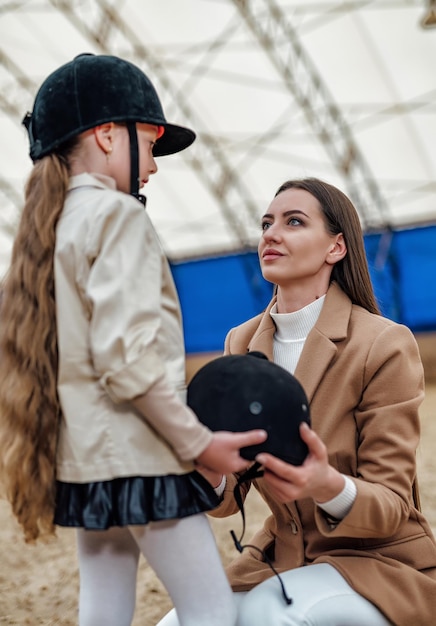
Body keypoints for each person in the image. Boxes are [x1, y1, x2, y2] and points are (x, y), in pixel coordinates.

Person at [0, 53, 267, 626]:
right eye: (147, 144)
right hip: (145, 457)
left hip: (89, 462)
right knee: (210, 610)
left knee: (102, 611)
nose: (154, 164)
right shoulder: (117, 216)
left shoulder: (51, 228)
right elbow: (126, 362)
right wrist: (199, 444)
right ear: (104, 135)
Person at [157, 177, 436, 626]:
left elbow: (391, 507)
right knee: (180, 622)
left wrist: (325, 483)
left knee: (273, 616)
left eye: (293, 222)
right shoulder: (241, 340)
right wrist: (206, 467)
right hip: (277, 556)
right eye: (267, 222)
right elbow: (229, 500)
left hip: (376, 562)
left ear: (336, 248)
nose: (270, 233)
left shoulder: (384, 344)